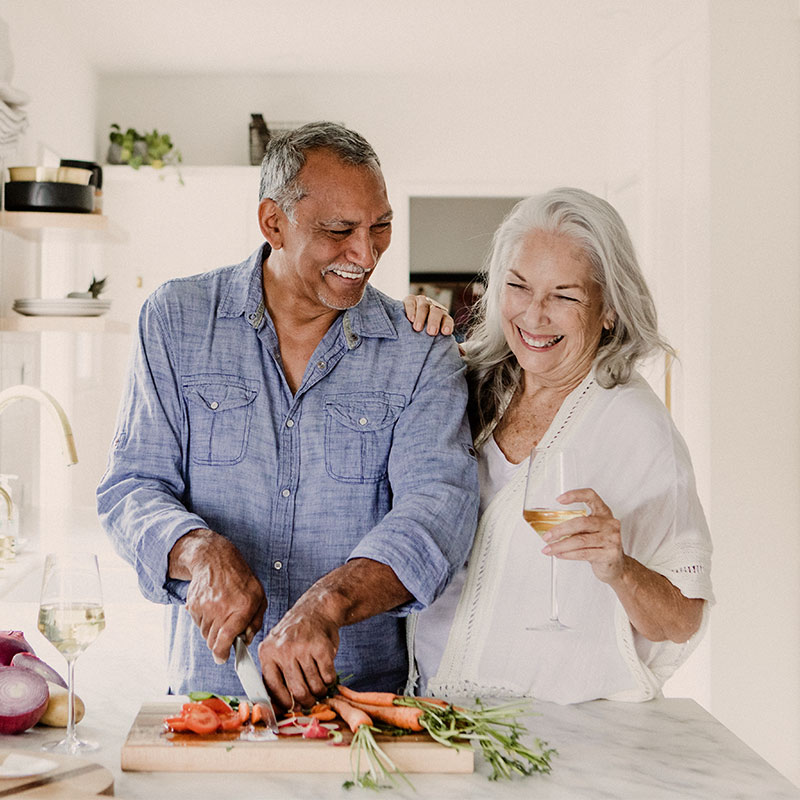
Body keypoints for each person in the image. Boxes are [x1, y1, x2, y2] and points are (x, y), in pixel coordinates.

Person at [97, 122, 479, 708]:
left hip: (360, 709)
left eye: (380, 228)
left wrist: (329, 603)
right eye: (338, 231)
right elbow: (131, 487)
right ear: (273, 222)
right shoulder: (175, 321)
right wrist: (198, 551)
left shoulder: (421, 348)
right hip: (208, 702)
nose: (366, 254)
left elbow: (437, 513)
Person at [405, 187, 713, 704]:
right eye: (519, 287)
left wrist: (620, 568)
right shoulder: (466, 383)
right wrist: (408, 332)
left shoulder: (636, 427)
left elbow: (681, 619)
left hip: (555, 735)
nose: (534, 315)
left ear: (608, 310)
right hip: (428, 712)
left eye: (565, 296)